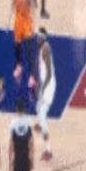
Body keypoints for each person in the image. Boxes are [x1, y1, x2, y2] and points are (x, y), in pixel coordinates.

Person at [10, 0, 36, 88]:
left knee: (29, 50)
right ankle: (19, 66)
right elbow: (12, 6)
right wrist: (8, 21)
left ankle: (32, 76)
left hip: (26, 22)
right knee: (17, 46)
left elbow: (33, 5)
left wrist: (33, 21)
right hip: (18, 22)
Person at [34, 27, 56, 161]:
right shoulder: (42, 47)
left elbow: (49, 73)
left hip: (49, 85)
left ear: (42, 38)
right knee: (37, 106)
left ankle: (48, 150)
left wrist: (42, 87)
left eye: (39, 37)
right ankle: (39, 124)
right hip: (45, 82)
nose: (37, 39)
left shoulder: (45, 49)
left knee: (42, 114)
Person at [9, 98, 34, 171]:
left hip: (17, 159)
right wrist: (32, 159)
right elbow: (31, 143)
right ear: (24, 109)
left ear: (16, 109)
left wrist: (10, 161)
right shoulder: (28, 121)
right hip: (25, 158)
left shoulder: (13, 123)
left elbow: (11, 144)